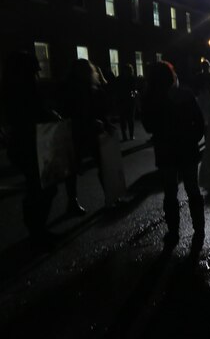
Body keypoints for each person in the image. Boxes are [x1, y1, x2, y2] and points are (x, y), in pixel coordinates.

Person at [142, 61, 206, 248]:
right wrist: (193, 138)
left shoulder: (151, 100)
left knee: (170, 192)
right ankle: (199, 228)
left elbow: (148, 126)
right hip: (187, 148)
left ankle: (173, 231)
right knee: (192, 189)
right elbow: (199, 122)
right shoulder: (185, 95)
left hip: (165, 149)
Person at [0, 51, 60, 248]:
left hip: (25, 144)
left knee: (39, 187)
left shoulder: (13, 88)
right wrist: (48, 115)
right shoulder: (22, 89)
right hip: (30, 144)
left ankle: (37, 230)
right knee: (41, 187)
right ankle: (37, 232)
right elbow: (31, 114)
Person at [62, 59, 112, 215]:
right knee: (97, 164)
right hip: (83, 131)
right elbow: (84, 112)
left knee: (74, 169)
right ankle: (109, 197)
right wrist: (99, 122)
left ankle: (73, 202)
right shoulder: (82, 89)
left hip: (79, 132)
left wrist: (104, 122)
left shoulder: (72, 88)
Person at [115, 63, 137, 141]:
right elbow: (134, 90)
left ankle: (126, 135)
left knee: (124, 119)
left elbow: (116, 91)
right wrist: (133, 97)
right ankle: (130, 135)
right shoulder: (132, 78)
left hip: (123, 101)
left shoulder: (118, 79)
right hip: (128, 101)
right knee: (129, 119)